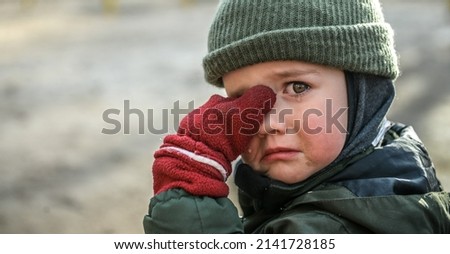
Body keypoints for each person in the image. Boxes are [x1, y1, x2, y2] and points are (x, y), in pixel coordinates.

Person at [143, 0, 450, 233]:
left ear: (365, 92)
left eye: (297, 86)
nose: (265, 122)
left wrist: (187, 204)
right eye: (240, 100)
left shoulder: (344, 229)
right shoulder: (399, 171)